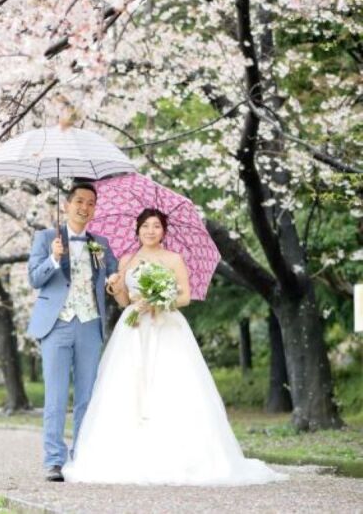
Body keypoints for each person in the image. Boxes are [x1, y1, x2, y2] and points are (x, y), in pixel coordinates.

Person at [62, 208, 286, 485]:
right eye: (145, 226)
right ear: (137, 230)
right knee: (127, 386)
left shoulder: (173, 259)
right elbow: (123, 301)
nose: (150, 231)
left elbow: (186, 296)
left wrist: (159, 300)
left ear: (163, 231)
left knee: (170, 383)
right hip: (133, 328)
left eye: (156, 226)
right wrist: (115, 287)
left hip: (166, 326)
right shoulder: (127, 260)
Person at [27, 182, 118, 482]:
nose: (85, 207)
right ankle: (54, 460)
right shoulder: (45, 239)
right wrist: (54, 258)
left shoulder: (101, 243)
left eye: (91, 203)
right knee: (55, 396)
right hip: (56, 324)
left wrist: (113, 280)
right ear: (66, 205)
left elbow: (114, 280)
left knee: (87, 396)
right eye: (79, 201)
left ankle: (82, 456)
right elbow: (34, 279)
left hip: (90, 323)